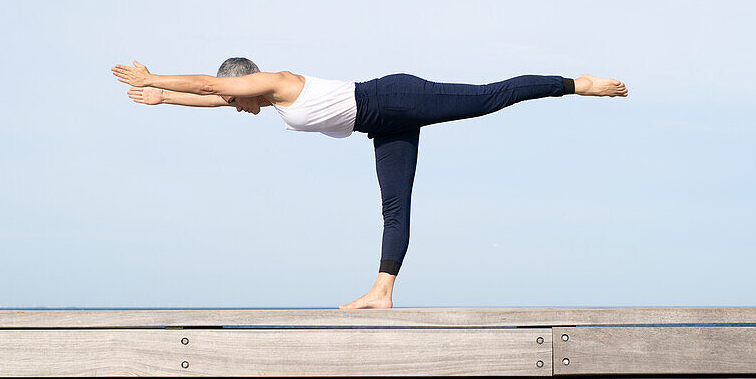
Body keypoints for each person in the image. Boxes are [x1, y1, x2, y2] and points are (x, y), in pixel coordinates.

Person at [113, 57, 628, 309]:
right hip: (381, 123)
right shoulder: (266, 99)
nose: (235, 109)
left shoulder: (271, 82)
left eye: (234, 98)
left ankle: (576, 84)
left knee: (488, 97)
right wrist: (164, 100)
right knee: (394, 206)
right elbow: (210, 97)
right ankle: (382, 291)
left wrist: (155, 76)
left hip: (397, 99)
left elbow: (209, 85)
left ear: (243, 81)